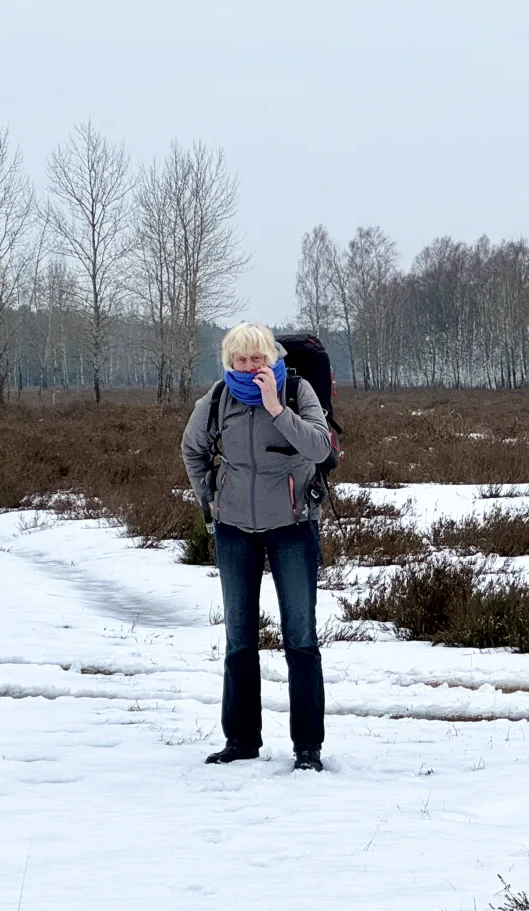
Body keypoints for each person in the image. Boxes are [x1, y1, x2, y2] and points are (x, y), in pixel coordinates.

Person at [181, 322, 334, 772]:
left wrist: (276, 409)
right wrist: (210, 502)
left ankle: (308, 748)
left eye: (258, 358)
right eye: (241, 360)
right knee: (239, 640)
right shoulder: (215, 400)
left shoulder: (297, 393)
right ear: (229, 363)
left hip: (292, 525)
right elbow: (192, 450)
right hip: (234, 529)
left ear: (273, 358)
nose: (250, 367)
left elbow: (321, 448)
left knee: (301, 640)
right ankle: (241, 740)